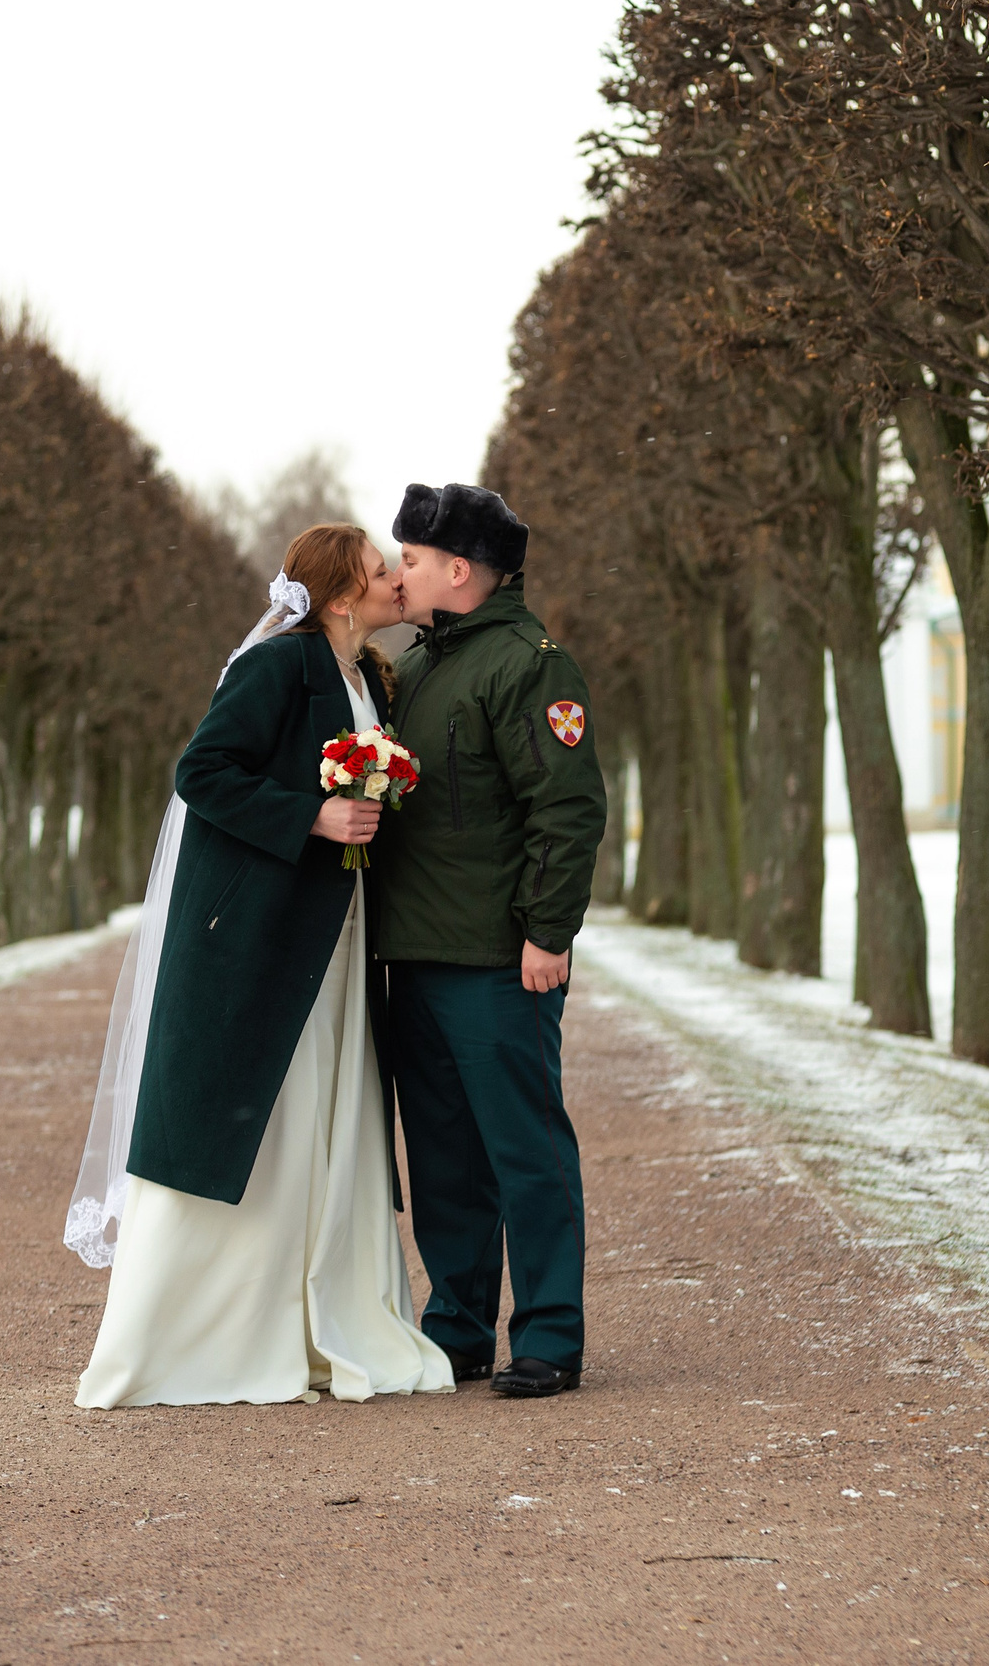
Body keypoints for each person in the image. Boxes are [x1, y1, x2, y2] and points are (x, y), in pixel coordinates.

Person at [67, 523, 453, 1408]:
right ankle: (204, 1334)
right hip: (263, 941)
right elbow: (202, 769)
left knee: (324, 1109)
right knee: (263, 1117)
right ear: (340, 595)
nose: (397, 580)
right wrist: (312, 817)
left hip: (339, 936)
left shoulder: (367, 678)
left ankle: (322, 1318)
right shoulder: (280, 664)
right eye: (378, 571)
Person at [370, 482, 608, 1399]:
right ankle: (457, 1328)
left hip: (499, 963)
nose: (402, 575)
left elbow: (568, 806)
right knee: (441, 1157)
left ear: (458, 570)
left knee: (525, 1150)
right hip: (417, 956)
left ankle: (548, 1336)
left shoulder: (529, 665)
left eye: (415, 561)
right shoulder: (422, 666)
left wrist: (549, 930)